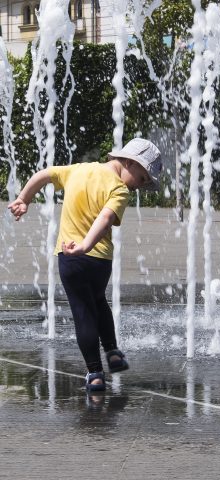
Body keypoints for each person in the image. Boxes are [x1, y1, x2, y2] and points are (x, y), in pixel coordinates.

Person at [8, 138, 162, 392]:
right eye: (142, 177)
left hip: (71, 259)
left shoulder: (78, 170)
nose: (140, 186)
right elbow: (105, 218)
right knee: (98, 301)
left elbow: (45, 175)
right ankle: (112, 351)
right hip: (100, 260)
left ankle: (95, 372)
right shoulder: (119, 190)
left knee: (83, 312)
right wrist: (88, 245)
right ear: (127, 162)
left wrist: (24, 198)